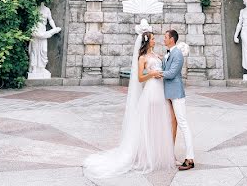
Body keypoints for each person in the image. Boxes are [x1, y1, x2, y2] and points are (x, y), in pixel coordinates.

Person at [83, 22, 175, 179]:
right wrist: (152, 74)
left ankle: (157, 154)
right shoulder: (143, 58)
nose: (155, 41)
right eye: (152, 39)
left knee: (159, 122)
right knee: (148, 122)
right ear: (147, 42)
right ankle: (146, 156)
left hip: (161, 91)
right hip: (151, 90)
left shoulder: (156, 55)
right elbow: (140, 78)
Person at [162, 29, 195, 171]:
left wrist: (156, 73)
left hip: (176, 93)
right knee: (172, 123)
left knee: (183, 123)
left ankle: (190, 158)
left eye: (165, 37)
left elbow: (171, 74)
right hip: (168, 93)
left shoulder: (178, 54)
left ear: (172, 39)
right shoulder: (168, 53)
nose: (163, 39)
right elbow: (166, 67)